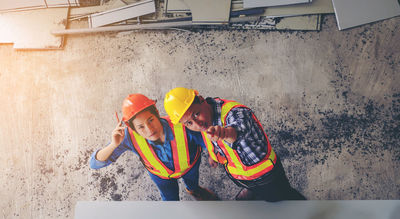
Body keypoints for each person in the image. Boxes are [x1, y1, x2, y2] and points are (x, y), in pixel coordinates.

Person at [164, 87, 306, 201]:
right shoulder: (204, 120)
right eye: (189, 123)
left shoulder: (235, 112)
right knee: (250, 195)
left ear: (201, 100)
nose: (197, 124)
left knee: (284, 201)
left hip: (266, 177)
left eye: (196, 114)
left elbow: (238, 129)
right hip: (242, 176)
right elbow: (211, 139)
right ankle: (251, 189)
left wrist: (224, 133)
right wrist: (213, 155)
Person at [90, 93, 218, 201]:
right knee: (170, 199)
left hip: (190, 168)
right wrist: (113, 145)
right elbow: (94, 163)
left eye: (151, 120)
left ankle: (194, 190)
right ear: (132, 128)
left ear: (156, 113)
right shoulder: (129, 137)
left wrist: (213, 153)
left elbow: (206, 139)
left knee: (192, 183)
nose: (149, 129)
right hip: (161, 176)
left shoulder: (181, 123)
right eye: (141, 127)